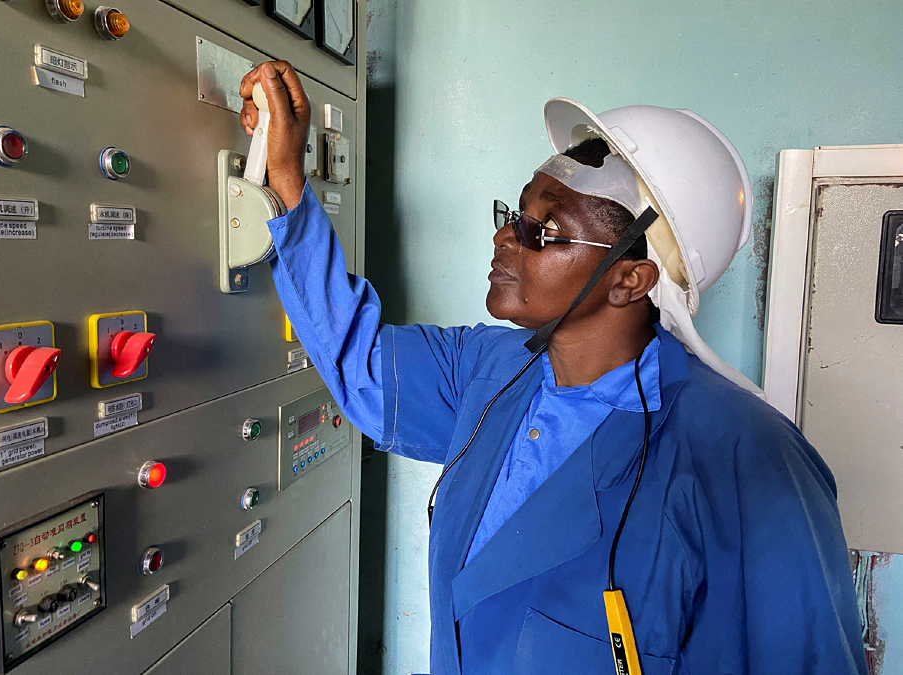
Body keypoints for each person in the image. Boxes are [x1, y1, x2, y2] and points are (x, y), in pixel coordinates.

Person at [239, 61, 867, 675]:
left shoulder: (748, 462)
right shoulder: (488, 372)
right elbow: (362, 359)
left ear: (630, 278)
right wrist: (285, 180)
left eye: (545, 232)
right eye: (515, 217)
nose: (506, 239)